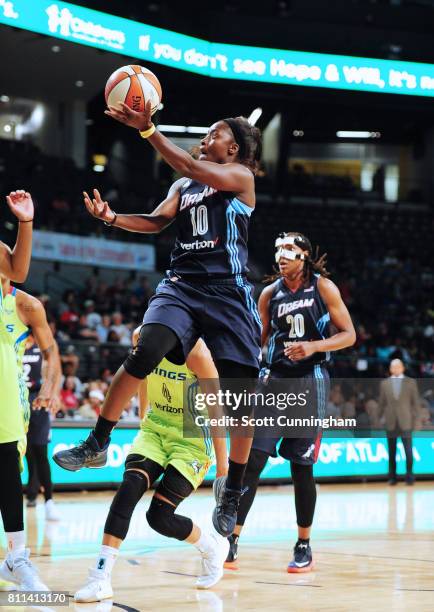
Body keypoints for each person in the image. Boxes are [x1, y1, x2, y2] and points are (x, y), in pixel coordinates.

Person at [54, 100, 263, 537]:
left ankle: (233, 488)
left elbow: (192, 165)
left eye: (215, 134)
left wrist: (149, 130)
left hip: (228, 291)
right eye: (205, 133)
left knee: (243, 397)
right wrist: (112, 218)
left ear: (235, 150)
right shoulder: (183, 186)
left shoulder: (240, 178)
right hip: (182, 286)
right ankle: (97, 442)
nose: (207, 139)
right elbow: (155, 222)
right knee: (146, 348)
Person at [225, 232, 356, 572]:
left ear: (304, 256)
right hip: (274, 381)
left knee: (301, 468)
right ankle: (232, 539)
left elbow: (349, 334)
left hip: (309, 381)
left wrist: (313, 346)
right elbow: (259, 339)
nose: (281, 255)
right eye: (278, 250)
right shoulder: (269, 293)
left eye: (289, 250)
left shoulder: (323, 287)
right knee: (252, 461)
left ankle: (303, 543)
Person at [74, 328, 228, 602]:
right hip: (155, 430)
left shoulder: (198, 354)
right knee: (128, 489)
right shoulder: (141, 336)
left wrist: (225, 472)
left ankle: (211, 546)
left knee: (159, 517)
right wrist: (145, 415)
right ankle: (99, 578)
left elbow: (216, 410)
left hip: (191, 439)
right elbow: (141, 375)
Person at [0, 190, 49, 591]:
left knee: (6, 474)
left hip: (5, 389)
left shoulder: (22, 303)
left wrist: (25, 223)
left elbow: (17, 269)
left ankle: (16, 559)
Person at [20, 330, 61, 519]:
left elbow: (53, 371)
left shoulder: (42, 347)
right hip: (17, 401)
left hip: (38, 400)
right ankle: (30, 492)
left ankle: (49, 501)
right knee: (22, 453)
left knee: (40, 452)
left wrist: (52, 393)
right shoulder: (14, 345)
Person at [378, 358, 420, 485]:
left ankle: (410, 476)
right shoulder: (384, 384)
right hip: (390, 422)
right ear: (390, 369)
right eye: (393, 367)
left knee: (408, 451)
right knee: (391, 452)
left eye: (398, 366)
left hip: (406, 421)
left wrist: (417, 421)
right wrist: (377, 418)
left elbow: (416, 404)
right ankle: (392, 477)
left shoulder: (411, 382)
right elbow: (381, 403)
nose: (396, 369)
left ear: (402, 368)